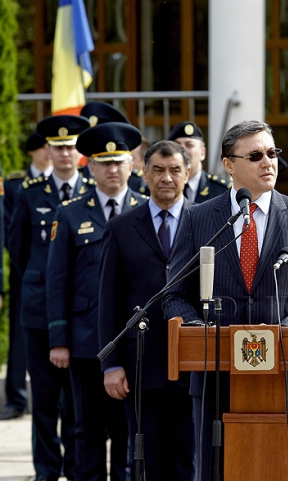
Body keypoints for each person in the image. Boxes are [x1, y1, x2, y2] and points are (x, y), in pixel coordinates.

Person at [162, 120, 288, 481]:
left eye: (272, 153)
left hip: (287, 377)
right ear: (229, 165)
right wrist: (199, 329)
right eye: (256, 155)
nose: (268, 162)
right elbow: (175, 294)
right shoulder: (199, 217)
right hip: (216, 376)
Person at [46, 122, 148, 481]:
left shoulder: (145, 209)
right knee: (85, 429)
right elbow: (57, 280)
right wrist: (58, 340)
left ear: (132, 165)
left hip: (132, 339)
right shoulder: (70, 213)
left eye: (120, 161)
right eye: (104, 163)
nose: (113, 170)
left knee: (127, 429)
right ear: (90, 167)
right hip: (86, 340)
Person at [98, 140, 194, 481]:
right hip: (141, 365)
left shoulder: (209, 222)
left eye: (174, 170)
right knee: (146, 461)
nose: (166, 178)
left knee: (189, 458)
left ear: (187, 174)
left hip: (193, 365)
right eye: (158, 170)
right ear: (144, 174)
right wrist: (111, 365)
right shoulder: (122, 227)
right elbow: (109, 301)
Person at [8, 115, 94, 481]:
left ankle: (77, 468)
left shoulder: (91, 191)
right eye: (57, 147)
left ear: (80, 153)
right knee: (43, 399)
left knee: (76, 401)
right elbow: (17, 248)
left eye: (71, 147)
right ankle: (46, 469)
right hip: (39, 311)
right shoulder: (29, 193)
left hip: (79, 312)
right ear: (48, 150)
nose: (63, 153)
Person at [0, 131, 51, 421]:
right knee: (20, 339)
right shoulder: (15, 184)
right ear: (32, 151)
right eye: (44, 147)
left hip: (57, 276)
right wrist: (29, 270)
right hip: (27, 276)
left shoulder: (68, 184)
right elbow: (12, 236)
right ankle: (16, 397)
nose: (49, 152)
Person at [166, 121, 231, 202]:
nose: (182, 150)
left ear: (202, 153)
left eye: (189, 145)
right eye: (177, 145)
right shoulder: (157, 190)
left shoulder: (222, 191)